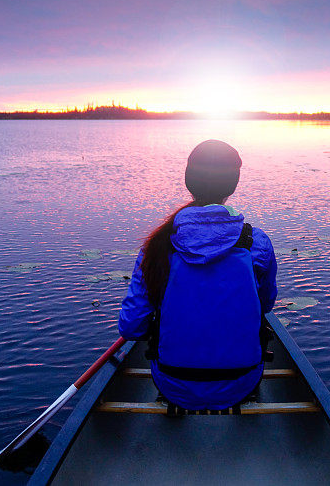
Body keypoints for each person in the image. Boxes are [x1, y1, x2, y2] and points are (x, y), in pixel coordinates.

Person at [118, 139, 278, 411]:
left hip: (172, 381)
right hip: (242, 380)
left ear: (188, 181)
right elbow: (264, 305)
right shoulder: (257, 243)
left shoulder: (158, 246)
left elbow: (132, 327)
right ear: (233, 185)